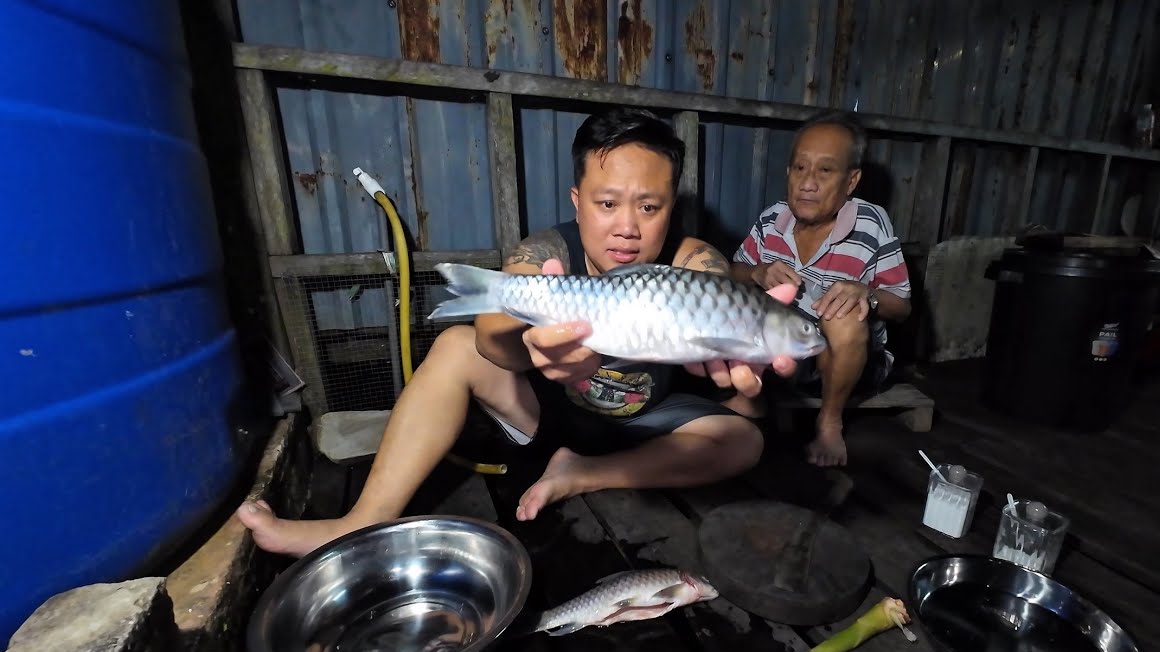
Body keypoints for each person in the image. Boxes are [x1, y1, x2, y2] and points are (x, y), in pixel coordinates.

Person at [237, 107, 798, 557]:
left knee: (745, 439)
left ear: (670, 207)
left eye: (649, 206)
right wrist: (527, 345)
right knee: (456, 345)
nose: (627, 226)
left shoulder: (692, 260)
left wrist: (750, 341)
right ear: (578, 203)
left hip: (646, 422)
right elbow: (489, 330)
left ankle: (585, 474)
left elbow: (717, 290)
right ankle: (361, 521)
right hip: (550, 411)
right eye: (607, 204)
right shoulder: (544, 253)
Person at [726, 110, 912, 467]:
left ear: (851, 180)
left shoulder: (871, 225)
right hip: (788, 358)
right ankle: (751, 399)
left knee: (843, 315)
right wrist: (757, 273)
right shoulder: (770, 221)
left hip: (850, 364)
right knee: (739, 307)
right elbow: (731, 271)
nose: (808, 183)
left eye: (825, 171)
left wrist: (867, 294)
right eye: (800, 168)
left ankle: (829, 423)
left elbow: (902, 306)